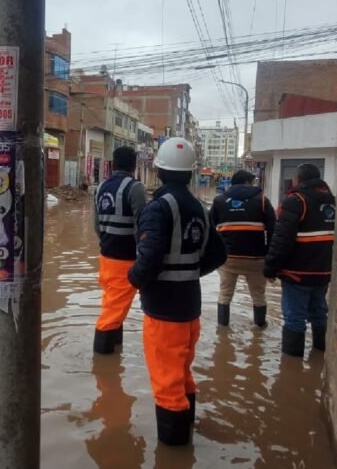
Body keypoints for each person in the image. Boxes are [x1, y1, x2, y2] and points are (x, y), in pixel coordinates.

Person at [127, 137, 227, 446]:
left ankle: (175, 450)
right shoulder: (199, 206)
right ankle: (187, 430)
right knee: (182, 374)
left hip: (164, 312)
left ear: (158, 169)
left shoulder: (158, 208)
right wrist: (190, 273)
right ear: (191, 173)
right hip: (189, 309)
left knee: (167, 384)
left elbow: (150, 257)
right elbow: (218, 254)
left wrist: (133, 278)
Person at [264, 163, 335, 357]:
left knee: (295, 317)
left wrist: (270, 268)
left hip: (297, 273)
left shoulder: (295, 201)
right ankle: (320, 355)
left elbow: (281, 240)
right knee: (320, 312)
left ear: (298, 180)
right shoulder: (333, 202)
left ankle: (291, 365)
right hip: (324, 273)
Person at [92, 146, 147, 354]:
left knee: (114, 305)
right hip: (126, 259)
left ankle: (115, 352)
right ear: (134, 165)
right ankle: (103, 362)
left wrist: (109, 241)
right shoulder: (136, 188)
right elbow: (142, 227)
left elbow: (96, 226)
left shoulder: (100, 187)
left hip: (106, 256)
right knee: (112, 313)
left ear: (112, 164)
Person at [210, 170, 276, 327]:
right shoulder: (262, 201)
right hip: (256, 259)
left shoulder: (219, 201)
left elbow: (210, 229)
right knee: (259, 295)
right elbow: (274, 231)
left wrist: (216, 255)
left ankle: (223, 330)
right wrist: (269, 259)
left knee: (225, 294)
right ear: (247, 182)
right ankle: (260, 329)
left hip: (228, 259)